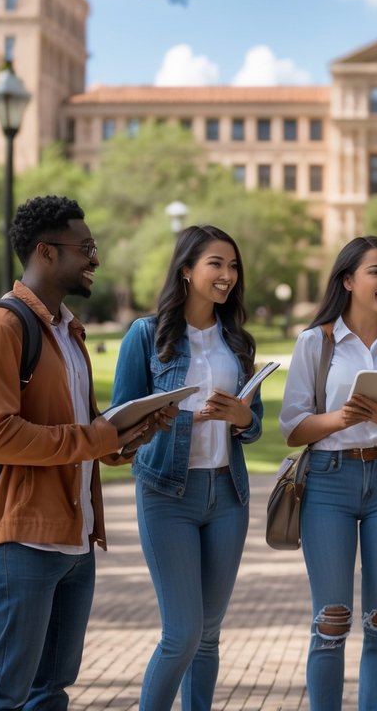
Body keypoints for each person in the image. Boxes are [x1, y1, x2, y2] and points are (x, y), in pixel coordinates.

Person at [0, 195, 174, 710]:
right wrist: (99, 438)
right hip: (23, 541)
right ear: (46, 253)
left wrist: (127, 438)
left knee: (50, 692)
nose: (95, 259)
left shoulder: (70, 332)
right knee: (4, 694)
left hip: (75, 544)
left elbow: (83, 434)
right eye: (86, 248)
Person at [279, 236, 377, 711]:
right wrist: (341, 419)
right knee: (331, 618)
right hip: (328, 482)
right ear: (348, 280)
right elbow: (293, 427)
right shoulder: (316, 343)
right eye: (376, 272)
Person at [111, 225, 264, 710]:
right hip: (166, 495)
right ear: (186, 271)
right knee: (182, 632)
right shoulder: (146, 335)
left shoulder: (237, 341)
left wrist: (243, 419)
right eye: (216, 264)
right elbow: (117, 424)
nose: (227, 275)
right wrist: (180, 419)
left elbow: (253, 425)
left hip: (227, 496)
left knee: (209, 635)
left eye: (233, 265)